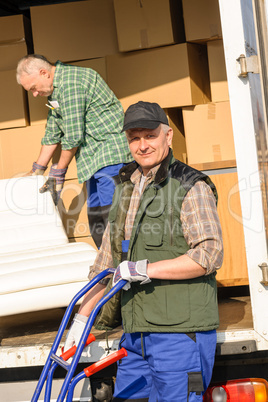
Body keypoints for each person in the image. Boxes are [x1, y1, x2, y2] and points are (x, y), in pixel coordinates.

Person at [64, 101, 224, 401]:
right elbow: (107, 261)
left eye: (150, 136)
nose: (142, 145)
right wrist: (82, 319)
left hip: (179, 335)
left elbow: (209, 254)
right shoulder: (126, 187)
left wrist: (144, 270)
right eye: (134, 138)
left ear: (168, 136)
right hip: (135, 336)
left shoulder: (190, 185)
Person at [16, 54, 133, 248]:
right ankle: (108, 269)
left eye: (33, 88)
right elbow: (53, 132)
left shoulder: (71, 83)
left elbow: (73, 135)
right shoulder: (56, 92)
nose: (34, 95)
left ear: (44, 73)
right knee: (97, 223)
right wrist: (37, 169)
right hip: (92, 160)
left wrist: (59, 172)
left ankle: (125, 270)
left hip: (110, 156)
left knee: (112, 221)